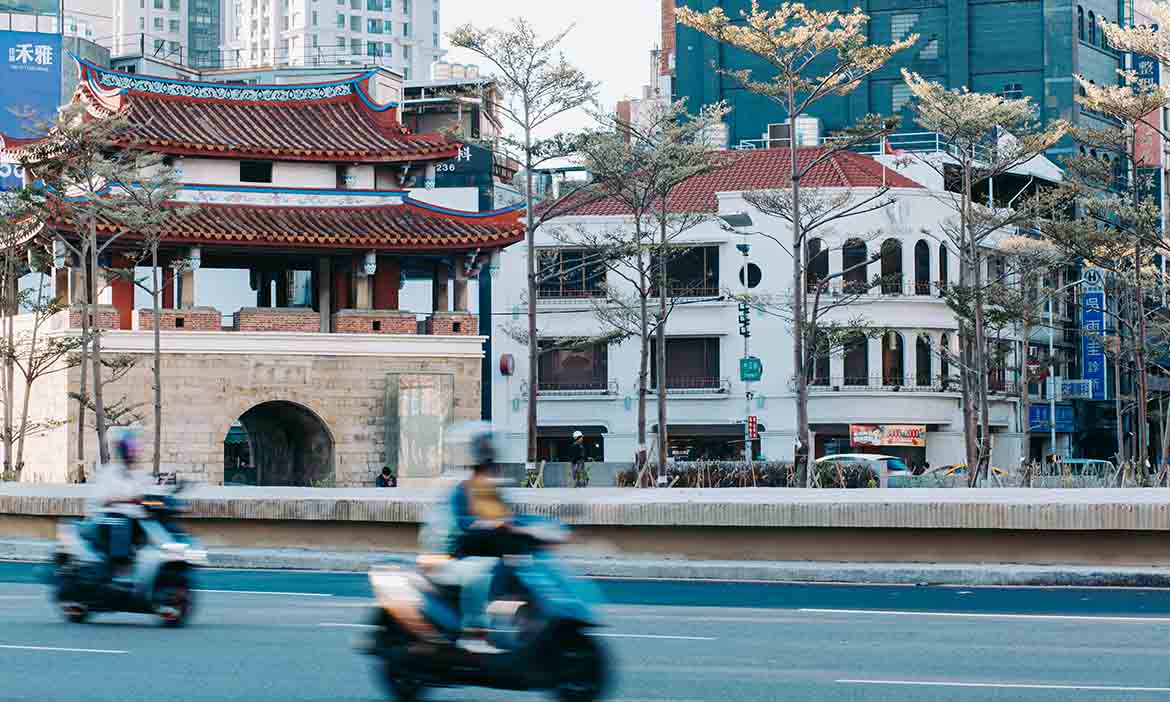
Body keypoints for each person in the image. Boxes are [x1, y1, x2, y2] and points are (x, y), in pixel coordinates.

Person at [418, 424, 515, 650]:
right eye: (485, 454)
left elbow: (511, 516)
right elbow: (463, 525)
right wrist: (491, 525)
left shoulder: (492, 489)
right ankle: (474, 633)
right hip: (449, 557)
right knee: (479, 573)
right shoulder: (461, 488)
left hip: (476, 554)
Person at [86, 427, 151, 580]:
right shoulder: (109, 473)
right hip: (107, 522)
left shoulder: (139, 475)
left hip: (135, 521)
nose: (134, 452)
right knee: (120, 522)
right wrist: (127, 500)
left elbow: (149, 493)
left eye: (135, 448)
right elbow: (102, 500)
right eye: (131, 448)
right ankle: (120, 568)